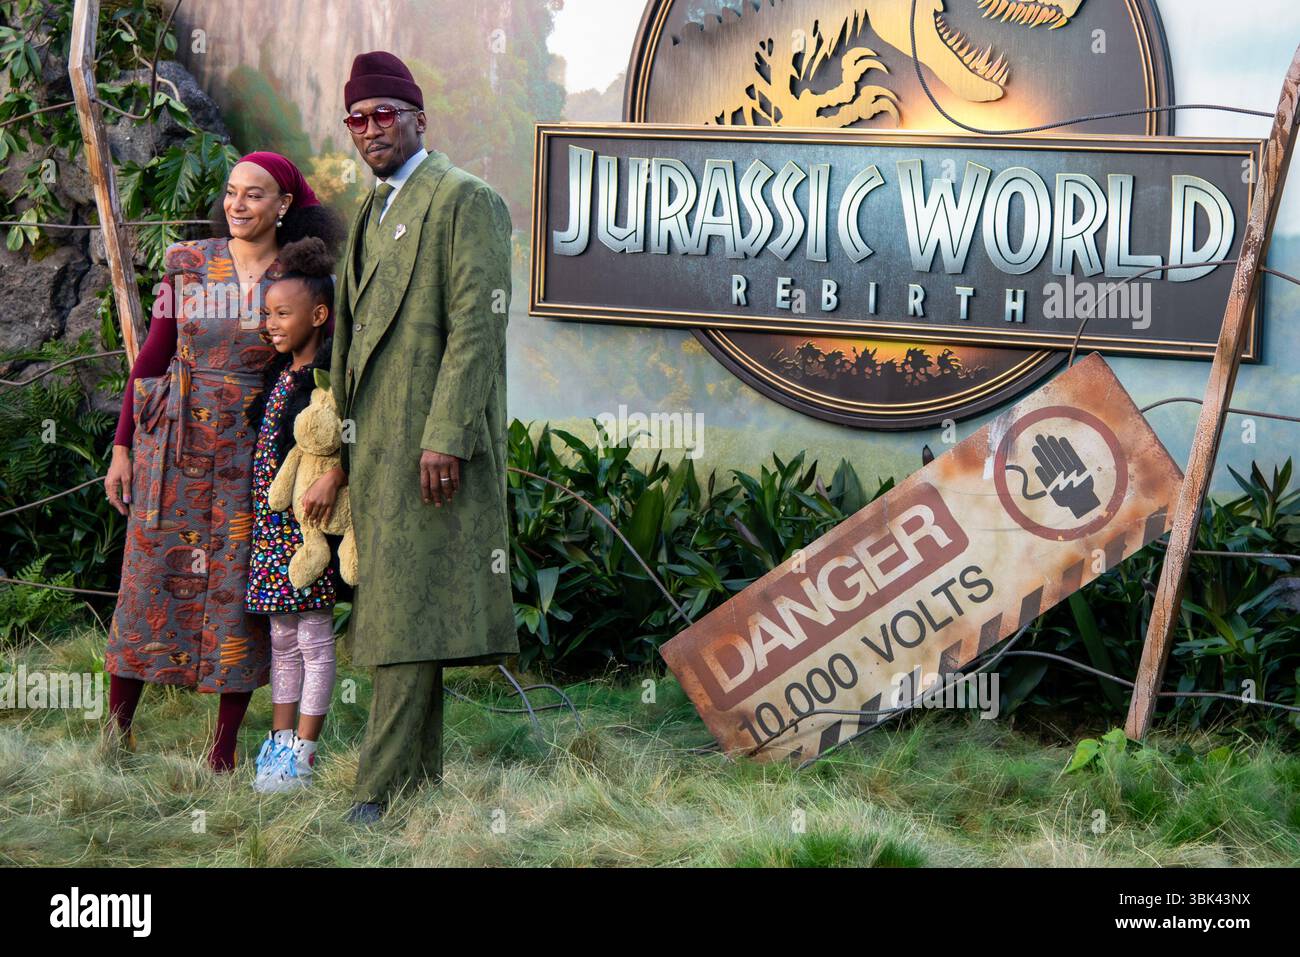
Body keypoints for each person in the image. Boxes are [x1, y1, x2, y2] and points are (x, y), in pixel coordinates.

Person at [102, 152, 342, 772]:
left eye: (254, 195)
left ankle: (224, 751)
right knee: (146, 579)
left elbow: (319, 368)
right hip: (172, 445)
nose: (237, 205)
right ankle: (116, 731)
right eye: (232, 193)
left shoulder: (301, 276)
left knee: (236, 591)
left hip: (251, 452)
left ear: (283, 206)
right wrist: (123, 447)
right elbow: (152, 357)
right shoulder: (187, 265)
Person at [329, 51, 519, 823]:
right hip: (372, 448)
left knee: (404, 616)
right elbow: (349, 336)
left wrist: (445, 436)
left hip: (429, 448)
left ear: (418, 119)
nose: (369, 129)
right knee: (406, 609)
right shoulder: (371, 210)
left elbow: (478, 327)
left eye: (382, 114)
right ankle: (418, 783)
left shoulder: (465, 200)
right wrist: (336, 450)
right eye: (356, 119)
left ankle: (374, 792)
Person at [242, 237, 342, 793]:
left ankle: (304, 750)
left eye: (283, 313)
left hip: (306, 531)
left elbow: (352, 442)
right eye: (267, 313)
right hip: (270, 527)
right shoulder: (278, 376)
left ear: (319, 316)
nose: (271, 324)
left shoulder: (329, 382)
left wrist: (338, 474)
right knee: (281, 636)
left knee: (313, 635)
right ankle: (278, 743)